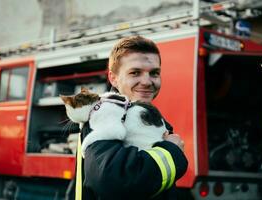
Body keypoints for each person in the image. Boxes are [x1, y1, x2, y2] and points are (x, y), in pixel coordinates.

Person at [75, 35, 188, 200]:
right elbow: (114, 181)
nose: (147, 81)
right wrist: (171, 151)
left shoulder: (146, 118)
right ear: (113, 78)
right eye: (135, 72)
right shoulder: (104, 115)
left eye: (154, 73)